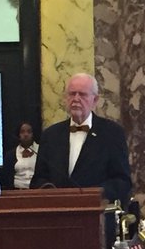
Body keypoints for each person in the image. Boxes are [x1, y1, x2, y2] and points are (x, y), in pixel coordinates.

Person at [31, 72, 132, 204]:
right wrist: (51, 192)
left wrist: (94, 195)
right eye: (72, 94)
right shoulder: (51, 135)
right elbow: (39, 179)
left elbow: (122, 180)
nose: (76, 99)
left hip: (96, 213)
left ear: (95, 100)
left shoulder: (112, 133)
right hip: (57, 213)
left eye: (82, 94)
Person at [10, 121, 39, 189]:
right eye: (22, 132)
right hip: (17, 191)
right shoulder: (11, 154)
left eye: (29, 132)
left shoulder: (41, 151)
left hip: (36, 191)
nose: (26, 134)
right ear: (18, 135)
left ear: (33, 134)